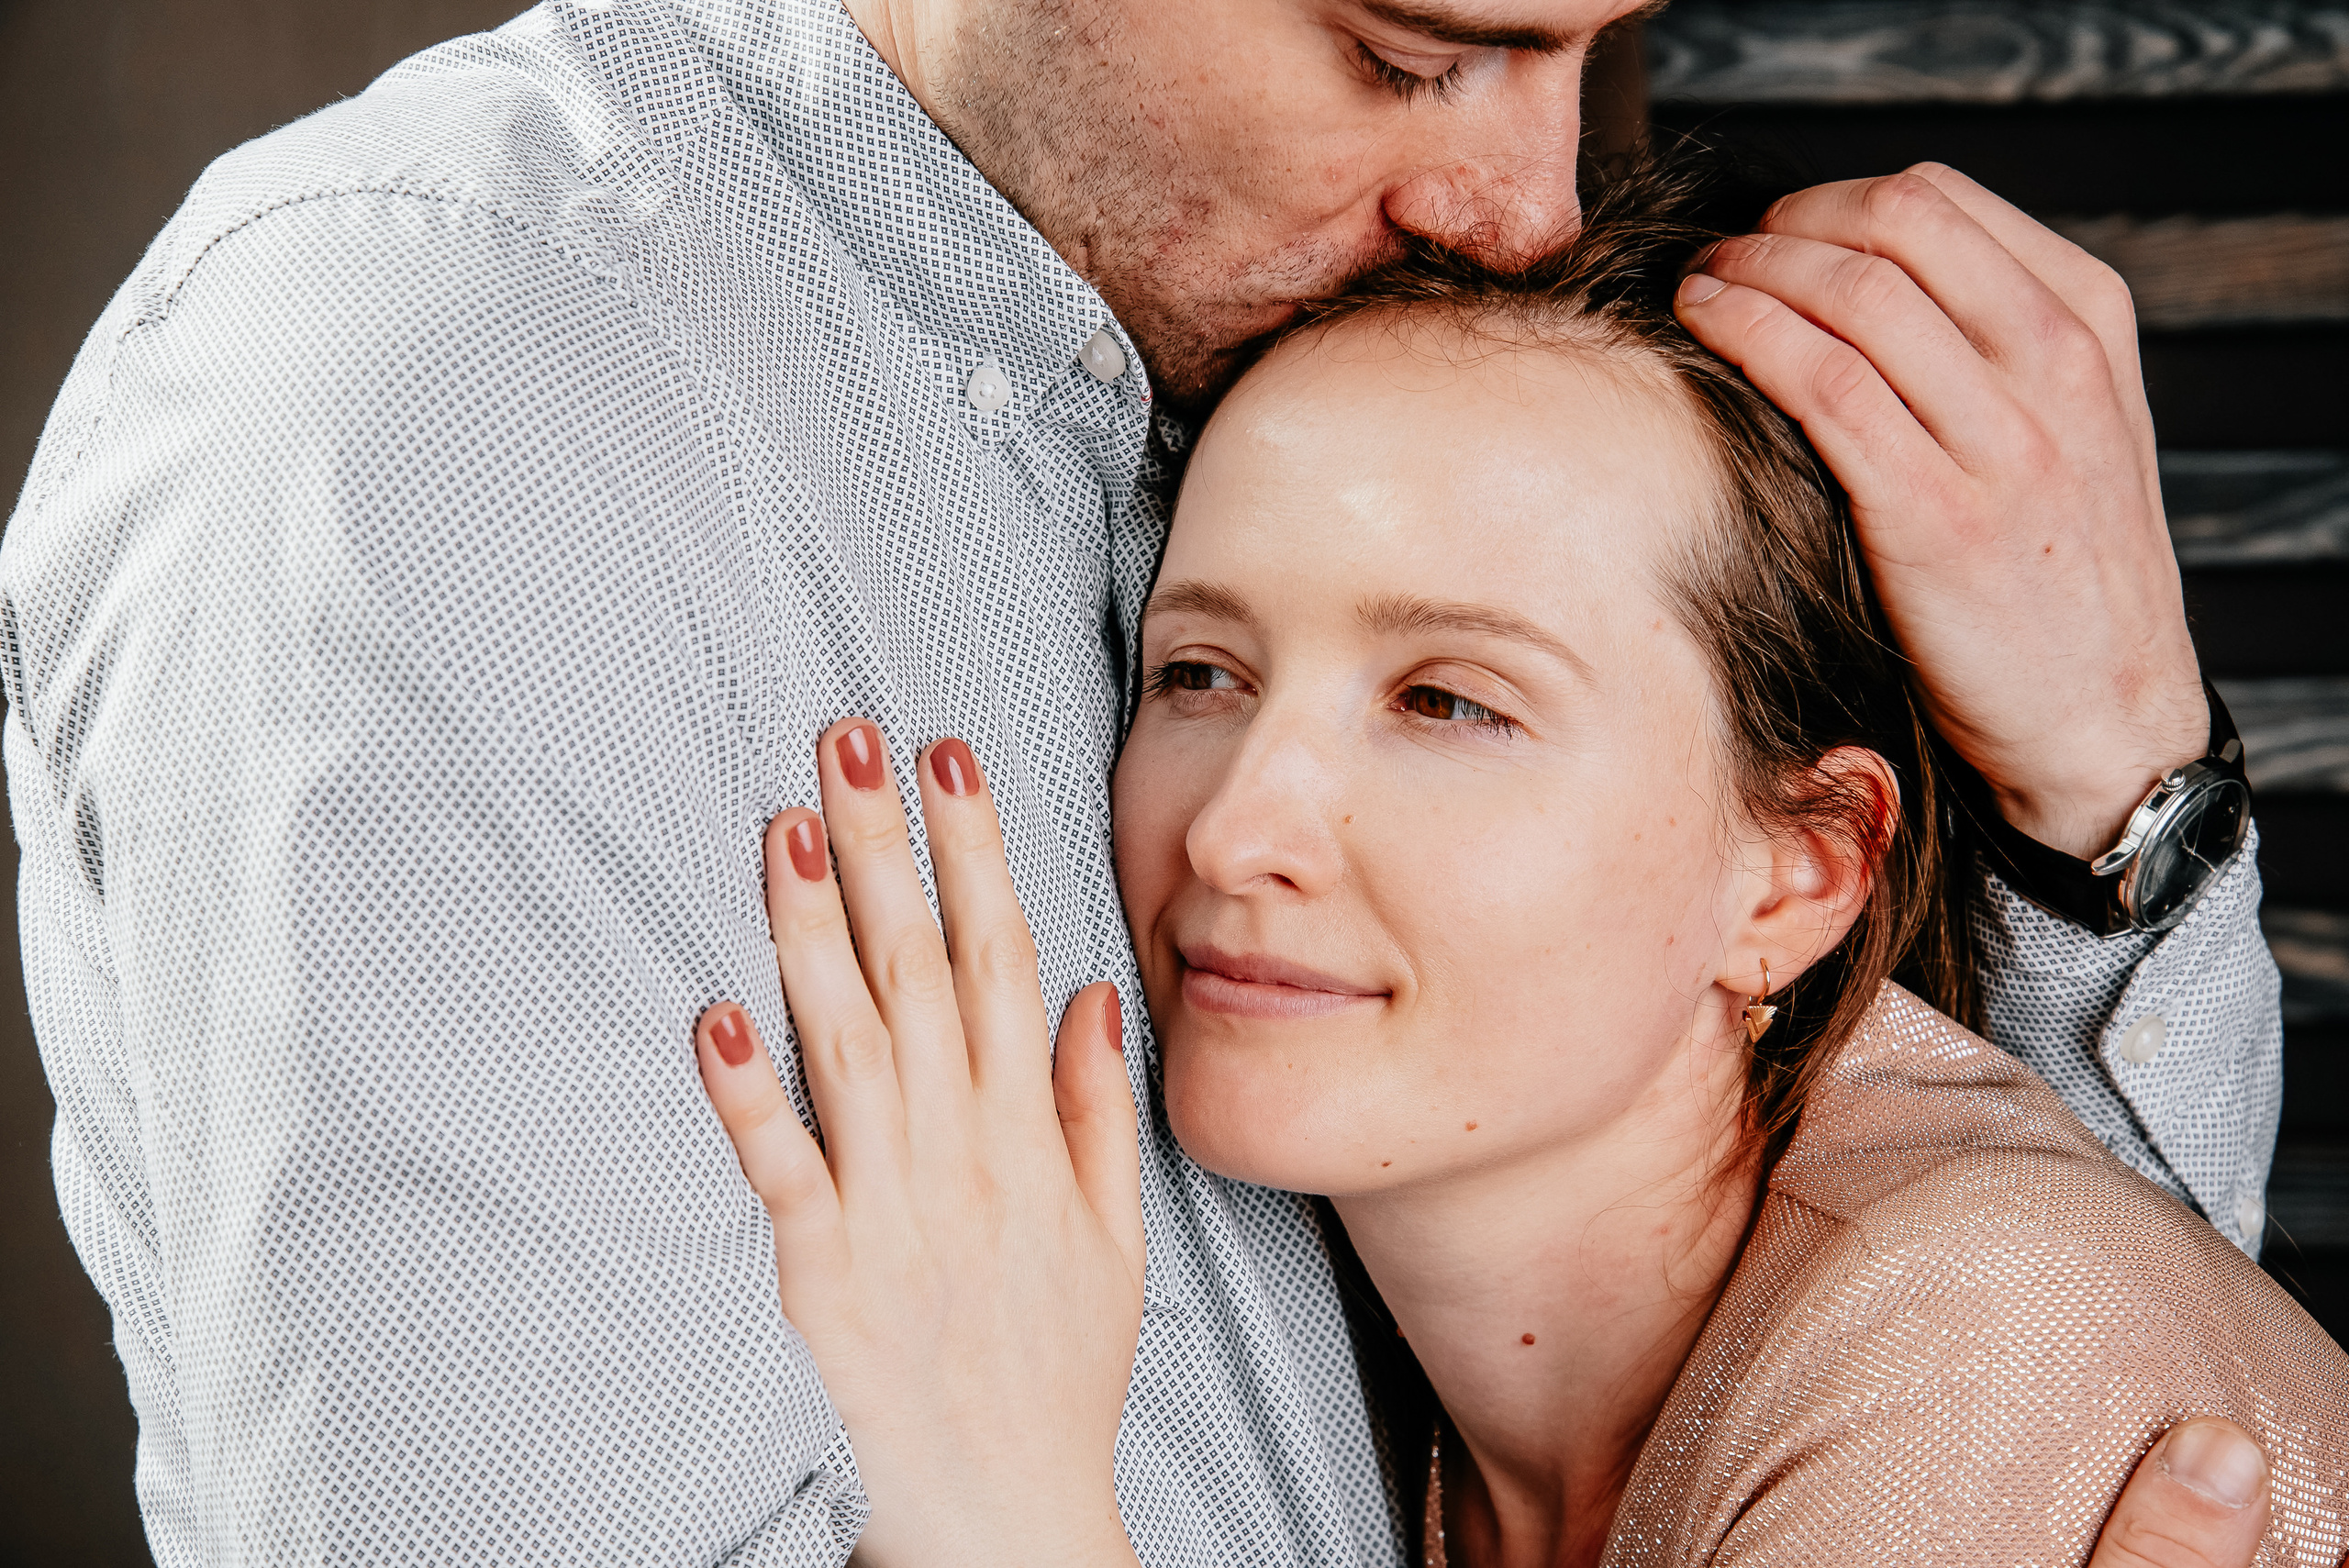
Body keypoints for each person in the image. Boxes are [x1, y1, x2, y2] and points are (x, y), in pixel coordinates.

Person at [0, 0, 2282, 1559]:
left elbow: (2035, 1354)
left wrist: (2117, 814)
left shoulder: (1299, 321)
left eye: (1584, 53)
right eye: (1413, 51)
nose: (1518, 207)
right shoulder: (441, 417)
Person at [690, 159, 2346, 1568]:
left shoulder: (1973, 1338)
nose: (1236, 828)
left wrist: (1009, 1510)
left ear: (1797, 875)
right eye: (1201, 671)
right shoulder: (1376, 1390)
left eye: (1448, 701)